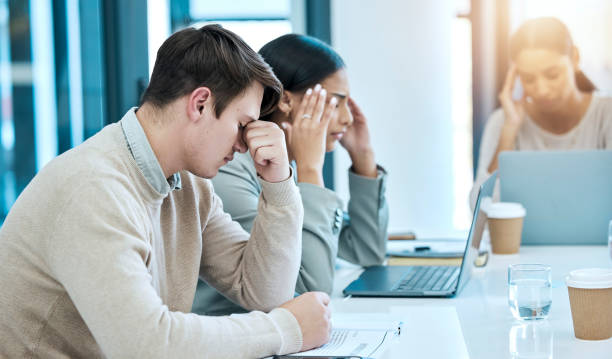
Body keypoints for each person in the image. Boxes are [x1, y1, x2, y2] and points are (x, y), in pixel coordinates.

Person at [0, 25, 332, 358]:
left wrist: (279, 183)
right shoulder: (93, 188)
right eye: (242, 125)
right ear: (200, 104)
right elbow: (146, 345)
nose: (245, 145)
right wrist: (287, 330)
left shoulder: (186, 184)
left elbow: (264, 293)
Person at [193, 34, 389, 316]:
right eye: (336, 103)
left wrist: (364, 159)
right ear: (285, 100)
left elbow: (367, 251)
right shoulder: (230, 169)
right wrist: (311, 169)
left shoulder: (284, 165)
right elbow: (309, 288)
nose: (346, 119)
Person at [470, 17, 612, 208]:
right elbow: (480, 210)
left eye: (552, 75)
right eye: (528, 78)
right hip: (522, 240)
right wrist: (509, 131)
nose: (542, 89)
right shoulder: (503, 121)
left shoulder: (606, 115)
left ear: (575, 58)